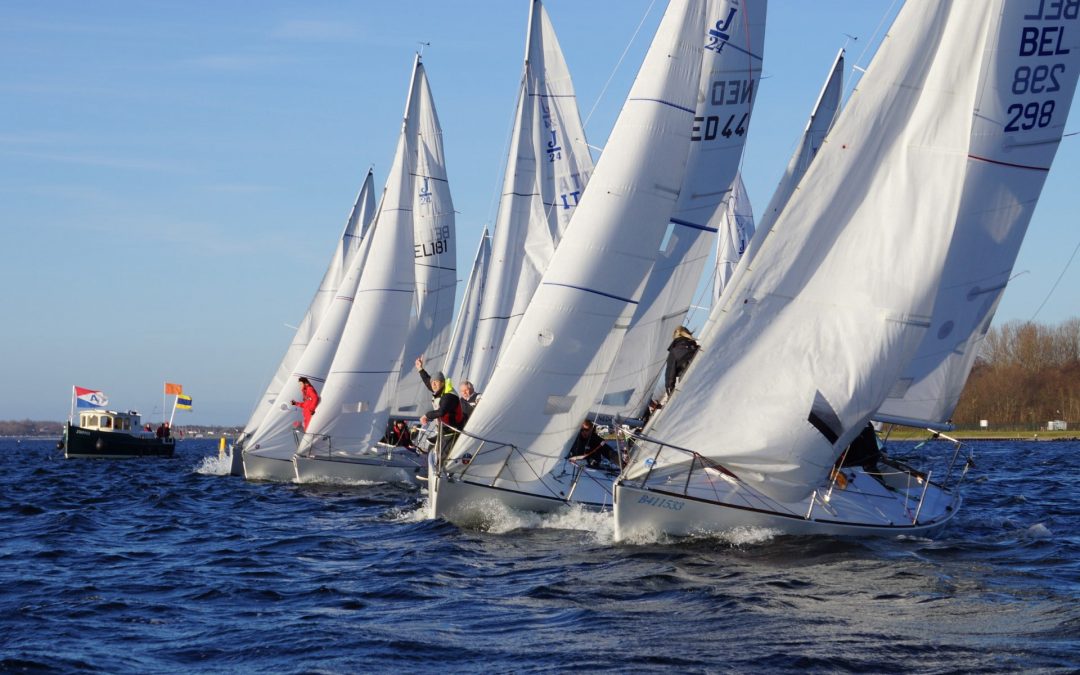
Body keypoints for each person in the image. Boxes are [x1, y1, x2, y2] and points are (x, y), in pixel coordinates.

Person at [415, 356, 464, 451]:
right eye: (433, 382)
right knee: (437, 451)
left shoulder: (449, 395)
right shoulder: (439, 390)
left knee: (443, 456)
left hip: (451, 431)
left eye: (436, 382)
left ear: (442, 383)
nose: (433, 384)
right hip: (443, 429)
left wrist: (426, 415)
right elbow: (428, 381)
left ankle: (442, 464)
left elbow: (441, 412)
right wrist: (420, 369)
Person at [665, 325, 700, 396]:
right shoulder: (692, 345)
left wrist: (670, 392)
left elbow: (670, 376)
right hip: (702, 369)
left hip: (689, 380)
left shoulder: (673, 352)